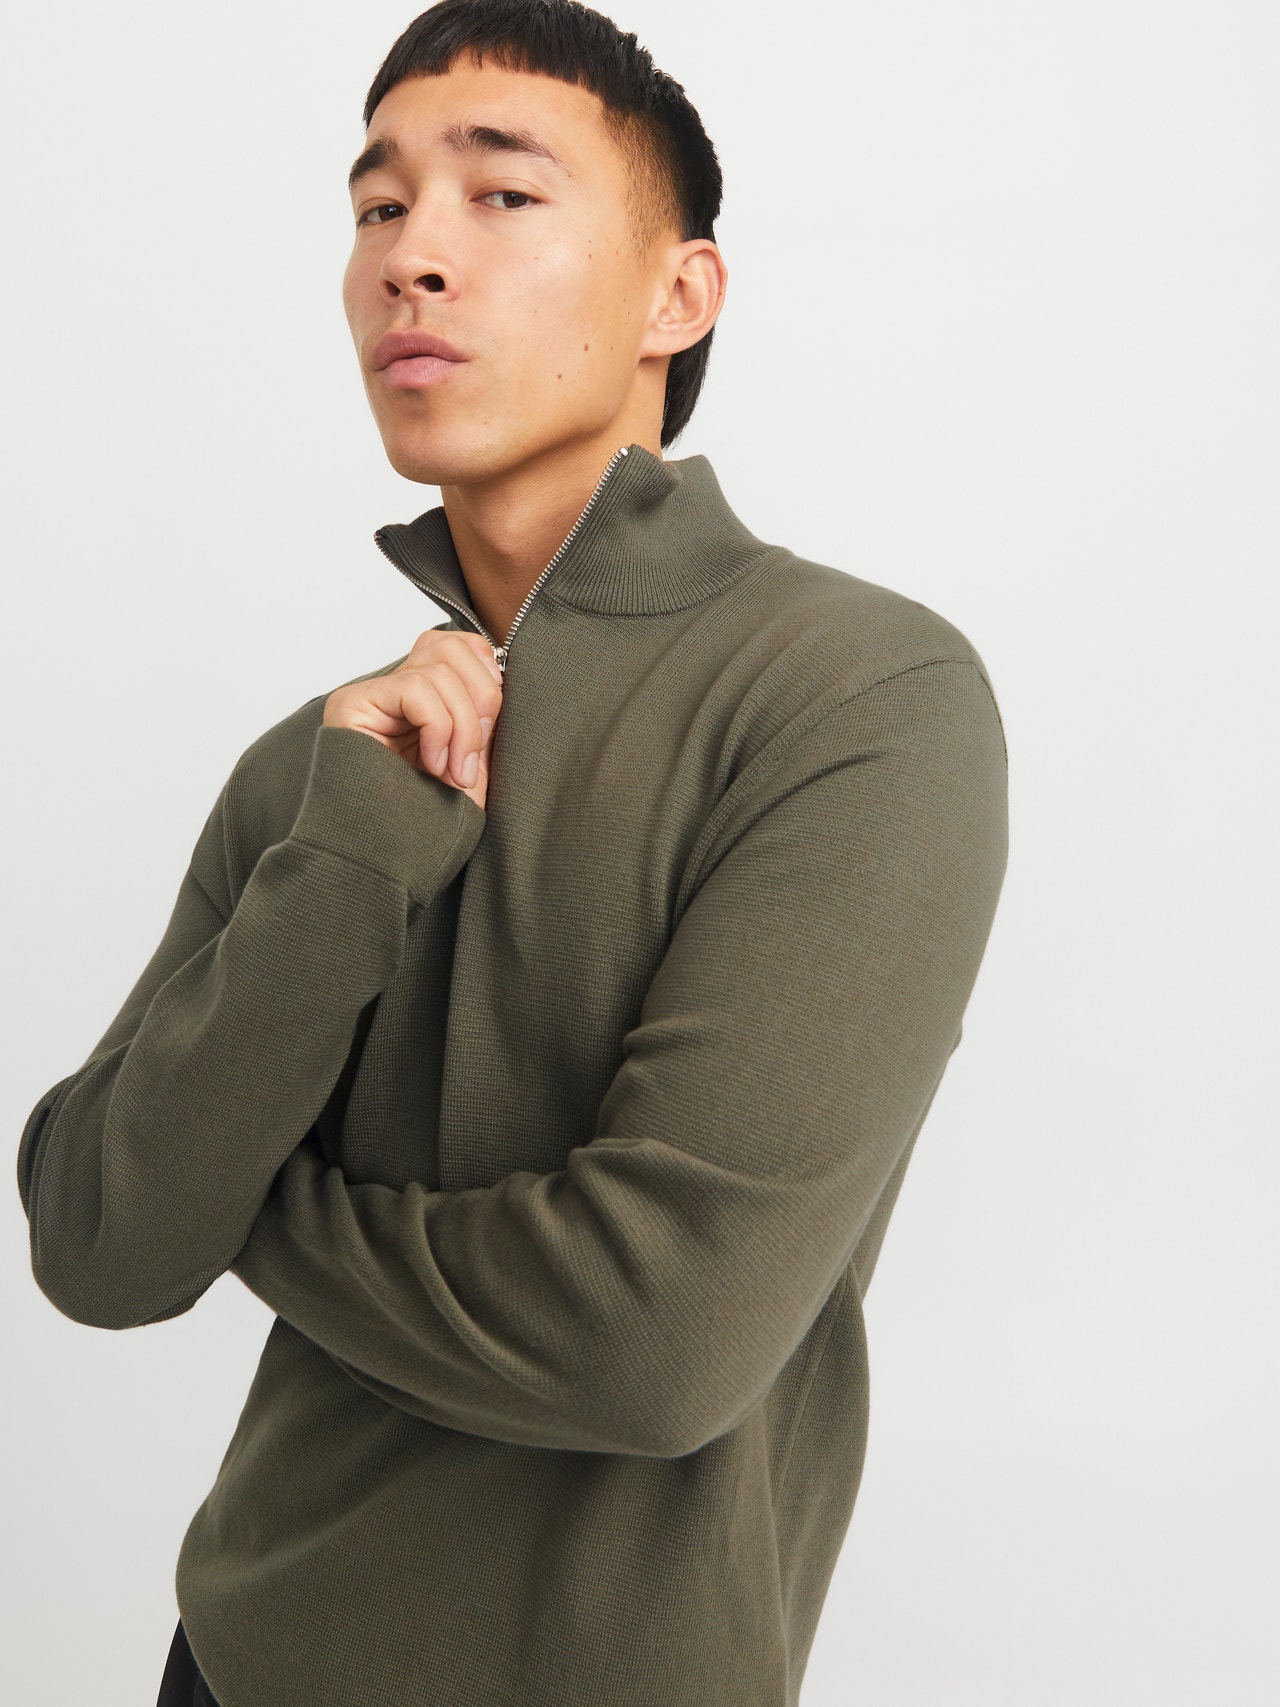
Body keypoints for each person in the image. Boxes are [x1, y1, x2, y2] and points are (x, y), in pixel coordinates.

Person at [16, 3, 1010, 1704]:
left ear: (680, 294)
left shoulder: (857, 694)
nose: (412, 256)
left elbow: (654, 1341)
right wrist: (343, 863)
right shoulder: (327, 765)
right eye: (377, 206)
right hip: (231, 1664)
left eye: (502, 195)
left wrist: (256, 1207)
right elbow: (101, 1241)